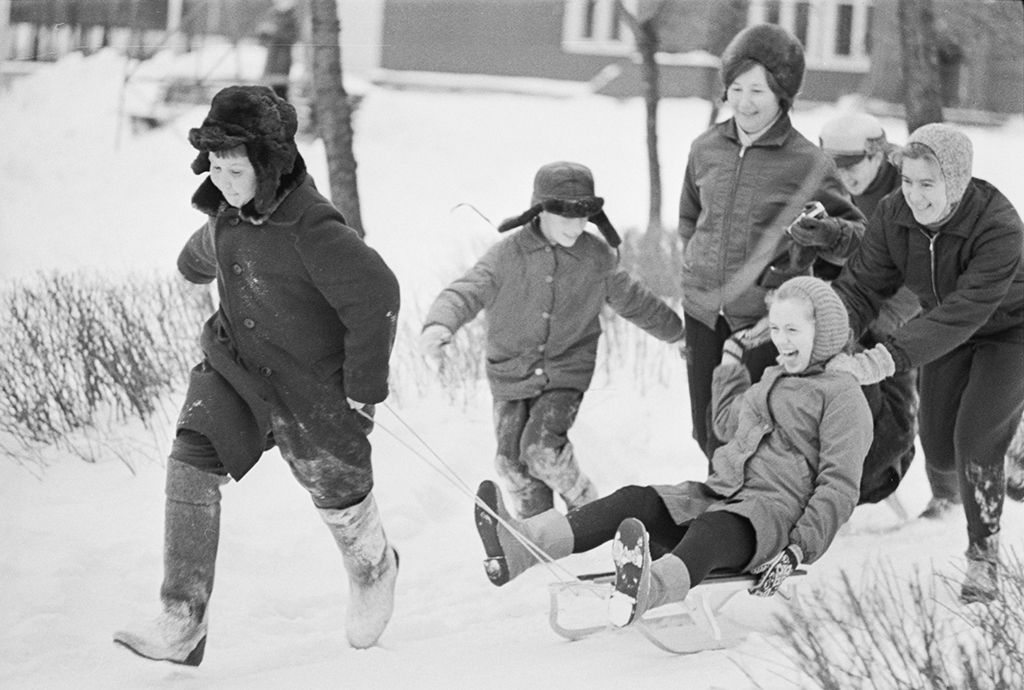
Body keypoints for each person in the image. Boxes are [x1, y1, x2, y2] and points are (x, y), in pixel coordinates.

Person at [113, 86, 402, 665]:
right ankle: (182, 618)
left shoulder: (312, 228)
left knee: (338, 490)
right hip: (236, 369)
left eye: (234, 167)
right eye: (214, 166)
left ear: (267, 166)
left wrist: (363, 388)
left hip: (311, 387)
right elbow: (208, 246)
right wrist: (193, 264)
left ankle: (373, 566)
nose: (221, 178)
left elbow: (377, 295)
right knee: (191, 461)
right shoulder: (226, 212)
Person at [475, 276, 873, 627]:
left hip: (769, 521)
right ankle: (522, 545)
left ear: (824, 333)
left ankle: (646, 591)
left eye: (793, 330)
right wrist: (732, 360)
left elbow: (839, 486)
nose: (781, 340)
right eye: (776, 329)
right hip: (718, 497)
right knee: (636, 501)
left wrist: (797, 550)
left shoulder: (842, 396)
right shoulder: (773, 378)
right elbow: (724, 426)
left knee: (710, 531)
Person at [421, 162, 685, 520]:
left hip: (565, 371)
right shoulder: (507, 255)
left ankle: (586, 505)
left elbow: (636, 302)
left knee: (541, 450)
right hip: (510, 372)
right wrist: (440, 325)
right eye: (567, 218)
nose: (577, 227)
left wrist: (678, 335)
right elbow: (466, 290)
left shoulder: (596, 258)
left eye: (584, 217)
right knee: (510, 463)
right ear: (541, 209)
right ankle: (541, 530)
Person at [831, 122, 1024, 603]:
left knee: (975, 438)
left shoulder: (998, 225)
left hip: (1009, 332)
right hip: (943, 331)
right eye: (909, 181)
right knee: (939, 451)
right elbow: (862, 286)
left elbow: (966, 311)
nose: (914, 196)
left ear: (956, 182)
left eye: (927, 184)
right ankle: (1012, 438)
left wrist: (886, 358)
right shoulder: (895, 215)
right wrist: (827, 334)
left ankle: (983, 560)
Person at [678, 23, 866, 465]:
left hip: (767, 319)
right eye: (736, 88)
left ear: (783, 95)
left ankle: (744, 522)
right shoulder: (705, 148)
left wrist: (823, 235)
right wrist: (695, 269)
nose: (744, 102)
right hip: (704, 313)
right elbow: (690, 219)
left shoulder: (809, 162)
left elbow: (856, 237)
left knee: (750, 432)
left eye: (758, 91)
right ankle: (720, 519)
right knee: (706, 429)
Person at [818, 112, 922, 510]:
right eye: (835, 166)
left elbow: (920, 270)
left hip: (922, 304)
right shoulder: (829, 183)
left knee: (927, 410)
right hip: (860, 301)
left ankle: (948, 497)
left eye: (852, 164)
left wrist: (884, 323)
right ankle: (850, 487)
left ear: (877, 154)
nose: (844, 175)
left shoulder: (911, 184)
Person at [257, 0, 299, 100]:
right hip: (272, 59)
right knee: (269, 89)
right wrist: (264, 32)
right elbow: (262, 40)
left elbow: (291, 37)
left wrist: (276, 32)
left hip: (282, 59)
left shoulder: (292, 17)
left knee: (280, 89)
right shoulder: (272, 14)